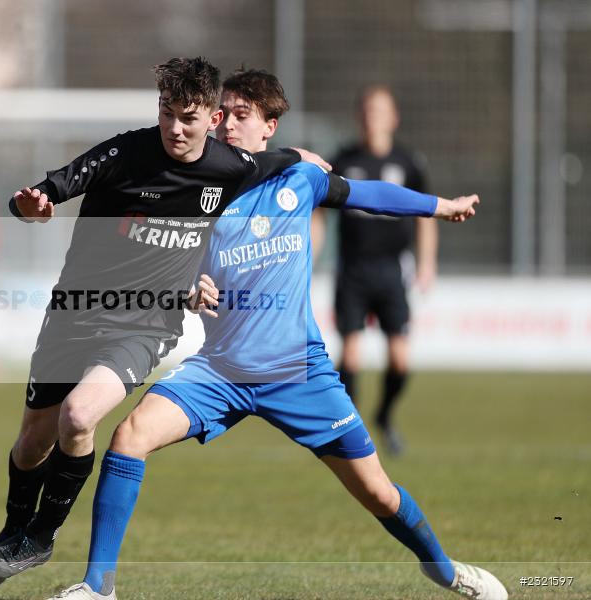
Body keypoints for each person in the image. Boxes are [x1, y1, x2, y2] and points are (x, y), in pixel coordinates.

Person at [47, 69, 506, 600]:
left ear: (270, 127)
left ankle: (446, 571)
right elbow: (165, 268)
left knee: (379, 494)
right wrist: (189, 289)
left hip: (299, 373)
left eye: (242, 116)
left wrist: (440, 206)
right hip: (219, 370)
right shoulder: (198, 189)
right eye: (225, 115)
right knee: (129, 438)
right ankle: (98, 587)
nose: (228, 126)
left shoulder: (300, 180)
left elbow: (367, 193)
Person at [0, 57, 329, 593]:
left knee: (79, 415)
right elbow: (44, 194)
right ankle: (13, 531)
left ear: (211, 117)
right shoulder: (123, 153)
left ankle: (41, 537)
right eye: (166, 113)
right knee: (30, 444)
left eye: (188, 117)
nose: (174, 128)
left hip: (144, 324)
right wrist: (31, 208)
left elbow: (281, 161)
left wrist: (307, 159)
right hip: (73, 314)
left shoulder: (229, 166)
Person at [313, 84, 436, 455]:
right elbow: (319, 212)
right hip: (352, 270)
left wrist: (428, 263)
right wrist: (310, 257)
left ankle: (384, 416)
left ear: (394, 117)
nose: (373, 117)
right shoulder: (344, 159)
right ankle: (350, 429)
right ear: (359, 116)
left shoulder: (409, 163)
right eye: (367, 110)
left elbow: (426, 216)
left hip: (392, 270)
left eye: (381, 110)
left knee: (400, 358)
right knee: (350, 356)